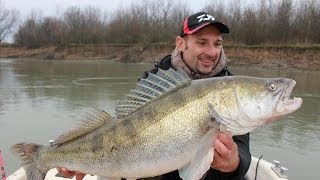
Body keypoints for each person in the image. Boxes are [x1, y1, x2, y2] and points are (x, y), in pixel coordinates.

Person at [58, 11, 251, 180]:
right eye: (202, 42)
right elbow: (123, 130)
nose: (211, 51)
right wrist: (80, 159)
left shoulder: (231, 89)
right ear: (181, 43)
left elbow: (243, 150)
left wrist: (234, 163)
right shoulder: (155, 82)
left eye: (217, 44)